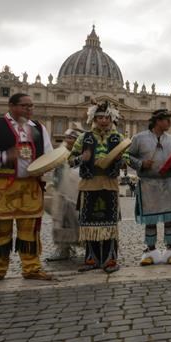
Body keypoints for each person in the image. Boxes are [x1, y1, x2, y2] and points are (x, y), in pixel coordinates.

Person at [0, 93, 54, 285]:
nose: (29, 110)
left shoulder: (39, 129)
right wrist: (3, 157)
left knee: (29, 230)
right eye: (25, 106)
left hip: (31, 186)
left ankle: (31, 268)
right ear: (11, 106)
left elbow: (48, 155)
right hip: (3, 185)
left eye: (31, 106)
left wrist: (47, 168)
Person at [69, 100, 128, 273]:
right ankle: (91, 259)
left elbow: (127, 161)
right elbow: (70, 160)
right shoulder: (83, 138)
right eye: (100, 117)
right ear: (94, 118)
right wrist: (82, 159)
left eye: (106, 117)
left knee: (110, 224)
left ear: (112, 119)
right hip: (89, 185)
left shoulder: (119, 138)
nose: (103, 120)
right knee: (89, 225)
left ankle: (110, 260)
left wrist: (119, 160)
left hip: (110, 185)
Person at [128, 109, 171, 266]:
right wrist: (141, 164)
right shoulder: (138, 138)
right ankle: (150, 251)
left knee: (169, 218)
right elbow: (128, 156)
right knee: (150, 220)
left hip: (167, 183)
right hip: (148, 184)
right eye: (166, 120)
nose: (169, 123)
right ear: (158, 121)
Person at [46, 128, 83, 262]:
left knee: (78, 221)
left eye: (72, 138)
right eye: (67, 137)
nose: (68, 140)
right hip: (62, 194)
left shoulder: (81, 154)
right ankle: (63, 249)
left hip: (77, 194)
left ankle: (89, 247)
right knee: (61, 222)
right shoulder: (61, 154)